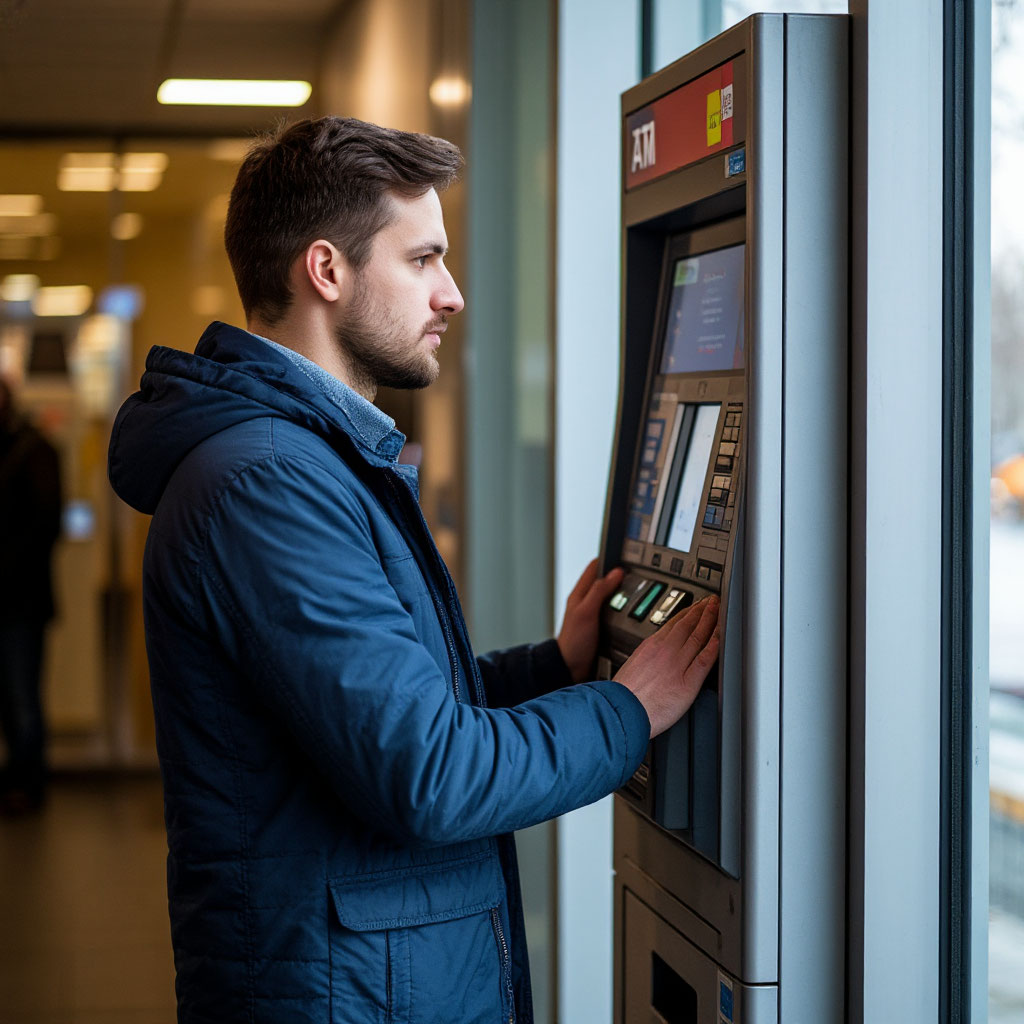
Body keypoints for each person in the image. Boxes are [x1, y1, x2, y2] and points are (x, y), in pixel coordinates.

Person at [107, 116, 719, 1024]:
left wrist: (552, 667)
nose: (453, 293)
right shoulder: (269, 483)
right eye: (424, 259)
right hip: (343, 997)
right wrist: (629, 709)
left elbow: (381, 711)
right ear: (327, 270)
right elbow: (428, 772)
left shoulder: (305, 462)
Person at [0, 377, 61, 814]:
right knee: (12, 696)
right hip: (17, 597)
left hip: (21, 600)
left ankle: (29, 781)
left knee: (21, 694)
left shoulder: (33, 450)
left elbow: (45, 524)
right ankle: (18, 778)